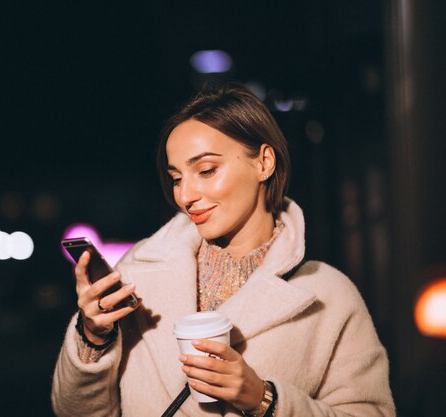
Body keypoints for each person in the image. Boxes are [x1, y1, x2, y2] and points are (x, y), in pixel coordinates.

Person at [51, 83, 395, 417]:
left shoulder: (328, 296)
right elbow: (75, 412)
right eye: (176, 178)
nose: (185, 196)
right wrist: (92, 337)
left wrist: (264, 399)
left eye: (206, 170)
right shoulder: (138, 274)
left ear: (264, 163)